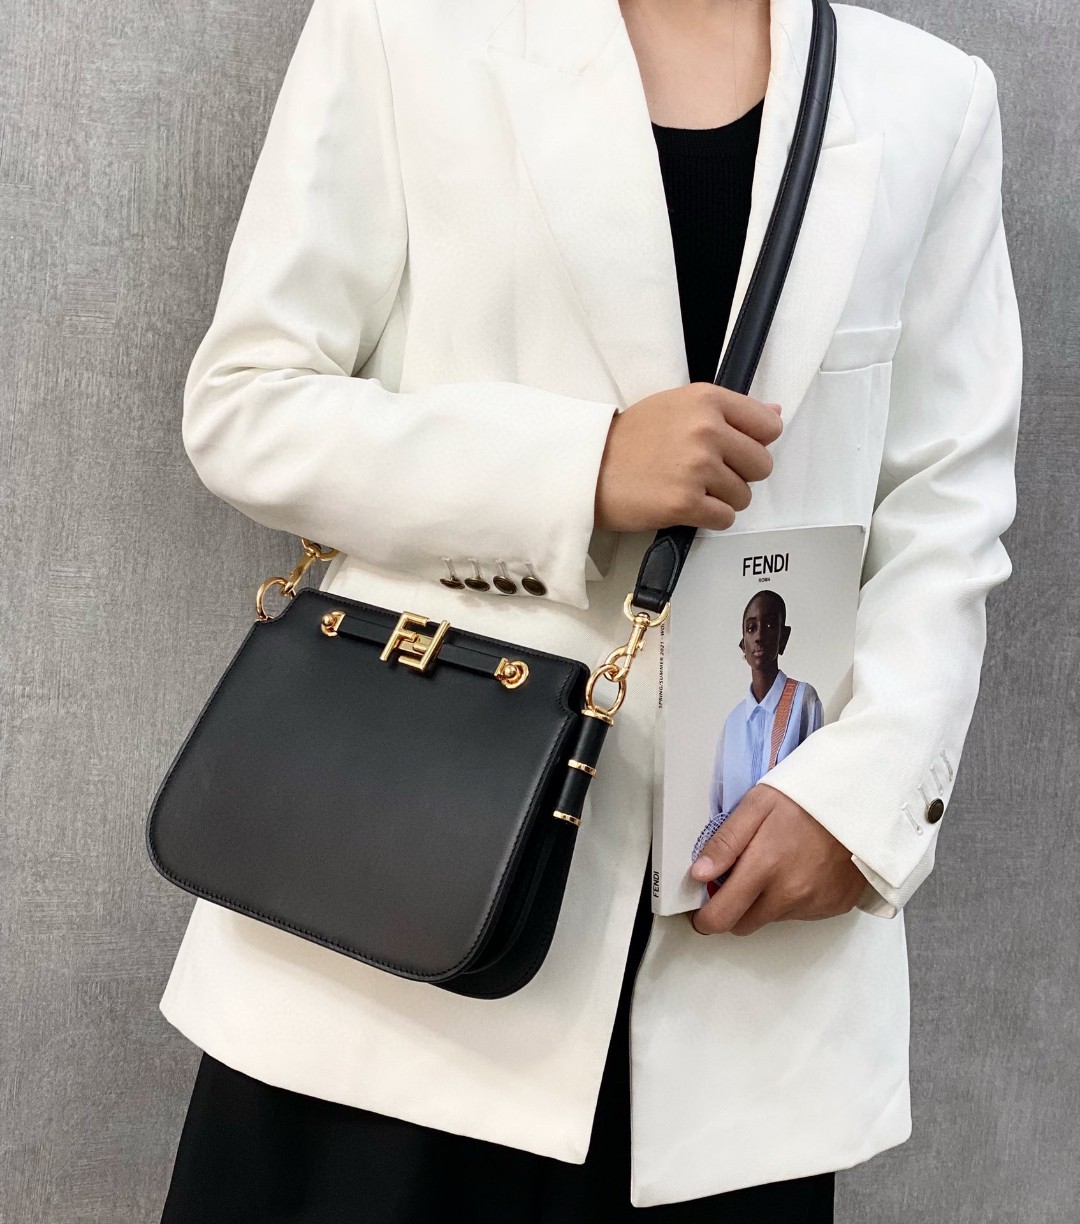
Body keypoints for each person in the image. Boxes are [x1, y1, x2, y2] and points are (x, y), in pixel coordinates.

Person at [155, 0, 1023, 1218]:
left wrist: (866, 803)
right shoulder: (405, 30)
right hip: (394, 930)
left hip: (735, 959)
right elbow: (247, 403)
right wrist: (581, 468)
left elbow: (946, 510)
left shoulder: (927, 97)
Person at [693, 590, 824, 896]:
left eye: (769, 625)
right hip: (731, 870)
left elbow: (815, 788)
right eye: (751, 628)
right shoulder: (733, 722)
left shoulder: (802, 699)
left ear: (784, 636)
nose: (759, 637)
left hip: (787, 865)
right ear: (743, 643)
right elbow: (717, 803)